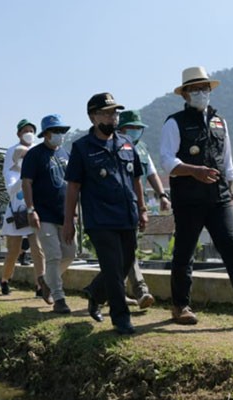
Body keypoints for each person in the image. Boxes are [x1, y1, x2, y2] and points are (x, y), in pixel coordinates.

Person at [160, 66, 233, 328]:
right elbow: (168, 161)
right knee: (185, 251)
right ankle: (180, 306)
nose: (201, 93)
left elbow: (228, 161)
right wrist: (195, 171)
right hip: (189, 198)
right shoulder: (174, 123)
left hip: (219, 197)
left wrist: (231, 191)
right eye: (194, 89)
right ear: (185, 94)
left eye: (204, 88)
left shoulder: (219, 122)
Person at [62, 92, 146, 335]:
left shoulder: (126, 143)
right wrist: (69, 221)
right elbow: (73, 187)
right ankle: (121, 318)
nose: (113, 118)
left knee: (125, 263)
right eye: (107, 113)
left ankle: (96, 293)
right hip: (100, 218)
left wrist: (142, 209)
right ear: (93, 117)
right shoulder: (81, 148)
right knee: (111, 266)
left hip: (127, 215)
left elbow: (136, 179)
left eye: (115, 113)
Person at [22, 114, 75, 314]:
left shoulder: (65, 154)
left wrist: (73, 212)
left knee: (70, 254)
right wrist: (31, 210)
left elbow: (72, 184)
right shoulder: (34, 155)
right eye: (56, 131)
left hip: (64, 214)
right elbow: (26, 183)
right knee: (53, 255)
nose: (60, 134)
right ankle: (59, 298)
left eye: (62, 131)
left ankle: (46, 280)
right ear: (46, 134)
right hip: (43, 214)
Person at [118, 110, 172, 309]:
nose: (135, 131)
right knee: (123, 251)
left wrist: (162, 195)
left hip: (134, 205)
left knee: (127, 250)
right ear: (121, 129)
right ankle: (139, 290)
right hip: (114, 206)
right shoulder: (112, 146)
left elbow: (151, 173)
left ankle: (113, 292)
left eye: (138, 128)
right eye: (131, 128)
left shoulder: (142, 149)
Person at [0, 119, 49, 301]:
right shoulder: (12, 158)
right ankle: (5, 279)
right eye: (25, 130)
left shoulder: (39, 151)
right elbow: (11, 189)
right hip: (17, 211)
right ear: (18, 134)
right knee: (14, 250)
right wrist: (25, 176)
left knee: (38, 249)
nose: (29, 133)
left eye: (31, 130)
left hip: (34, 209)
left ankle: (40, 285)